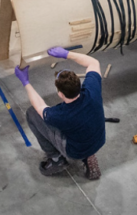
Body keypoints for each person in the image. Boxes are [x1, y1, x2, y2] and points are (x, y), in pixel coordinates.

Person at [15, 47, 105, 180]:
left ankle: (56, 158)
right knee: (82, 126)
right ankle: (89, 155)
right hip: (98, 140)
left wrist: (25, 82)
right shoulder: (92, 90)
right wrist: (67, 54)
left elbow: (39, 106)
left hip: (74, 151)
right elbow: (93, 63)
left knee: (32, 114)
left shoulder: (59, 115)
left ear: (60, 94)